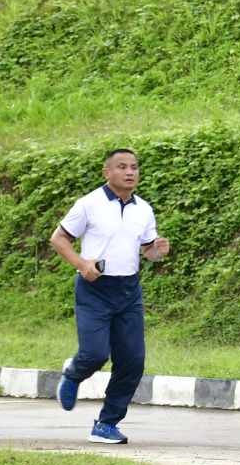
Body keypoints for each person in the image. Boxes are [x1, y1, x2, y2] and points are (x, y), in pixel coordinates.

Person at [50, 149, 171, 444]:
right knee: (95, 354)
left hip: (129, 290)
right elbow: (58, 238)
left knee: (132, 361)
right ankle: (73, 373)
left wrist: (157, 251)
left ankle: (106, 424)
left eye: (134, 167)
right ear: (107, 173)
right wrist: (82, 264)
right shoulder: (89, 204)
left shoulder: (143, 209)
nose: (130, 172)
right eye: (122, 167)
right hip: (95, 289)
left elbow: (147, 250)